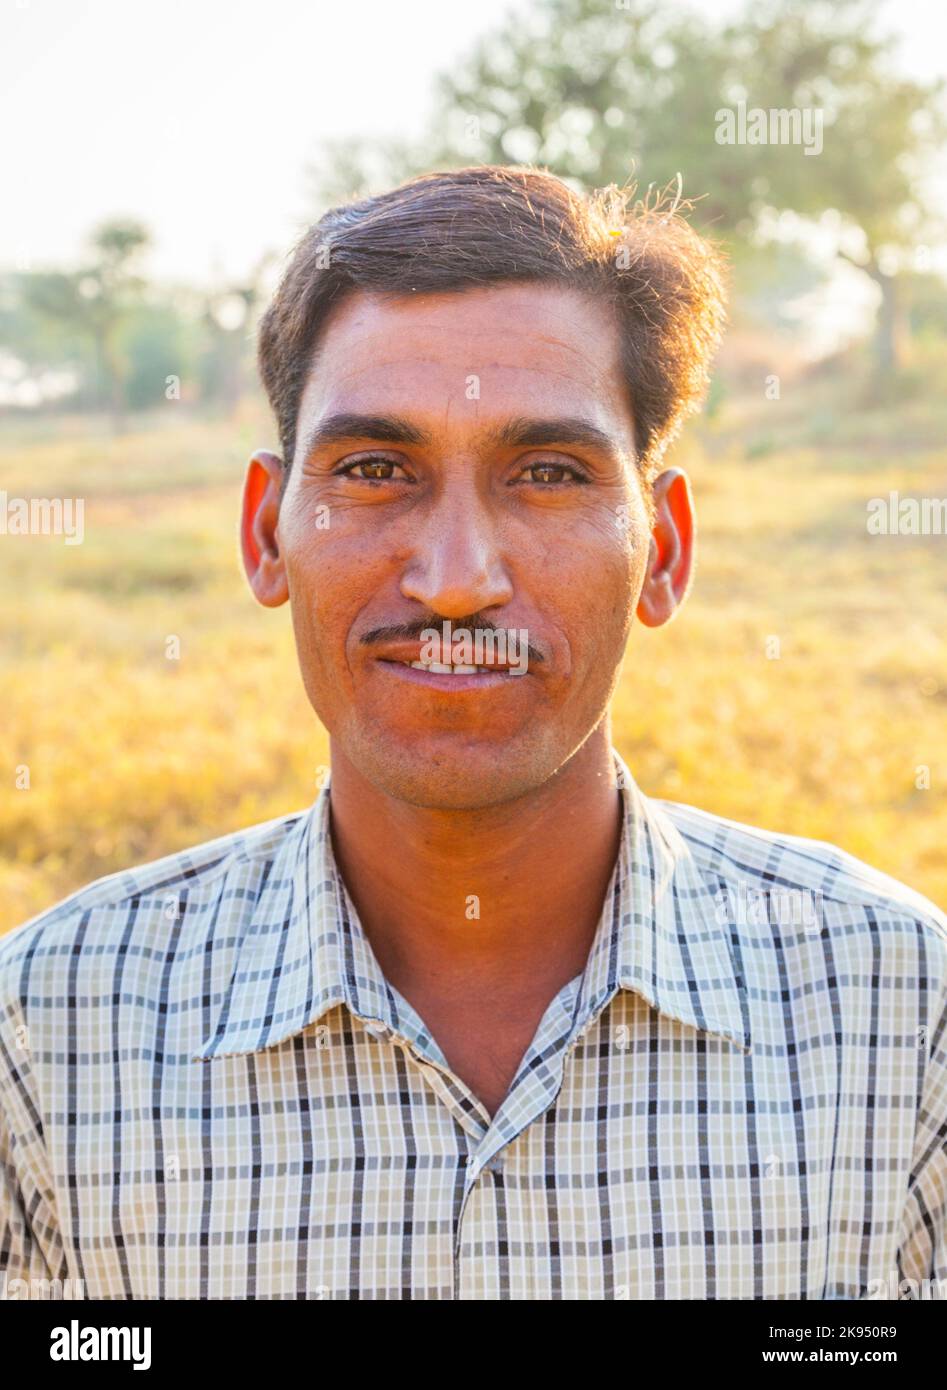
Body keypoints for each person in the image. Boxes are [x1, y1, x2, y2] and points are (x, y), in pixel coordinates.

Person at [1, 166, 944, 1301]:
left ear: (664, 550)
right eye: (374, 471)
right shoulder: (47, 1042)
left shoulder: (903, 1020)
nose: (455, 581)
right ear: (266, 533)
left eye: (545, 474)